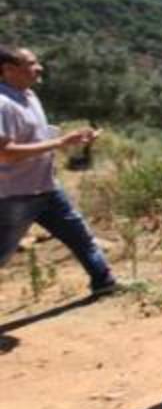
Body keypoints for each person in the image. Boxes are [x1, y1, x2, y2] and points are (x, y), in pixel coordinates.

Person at [0, 45, 117, 296]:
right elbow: (5, 153)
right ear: (8, 70)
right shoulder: (2, 104)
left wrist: (70, 140)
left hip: (46, 187)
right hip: (14, 195)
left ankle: (104, 283)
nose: (39, 67)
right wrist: (60, 143)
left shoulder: (29, 96)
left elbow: (35, 137)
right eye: (31, 63)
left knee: (80, 236)